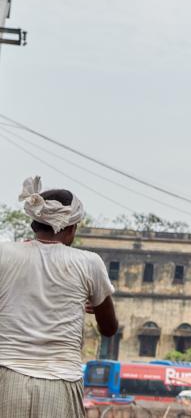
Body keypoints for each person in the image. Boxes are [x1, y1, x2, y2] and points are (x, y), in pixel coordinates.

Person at [0, 177, 118, 418]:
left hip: (6, 376)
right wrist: (98, 307)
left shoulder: (4, 253)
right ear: (72, 228)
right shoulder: (88, 263)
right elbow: (109, 328)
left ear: (34, 223)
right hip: (61, 382)